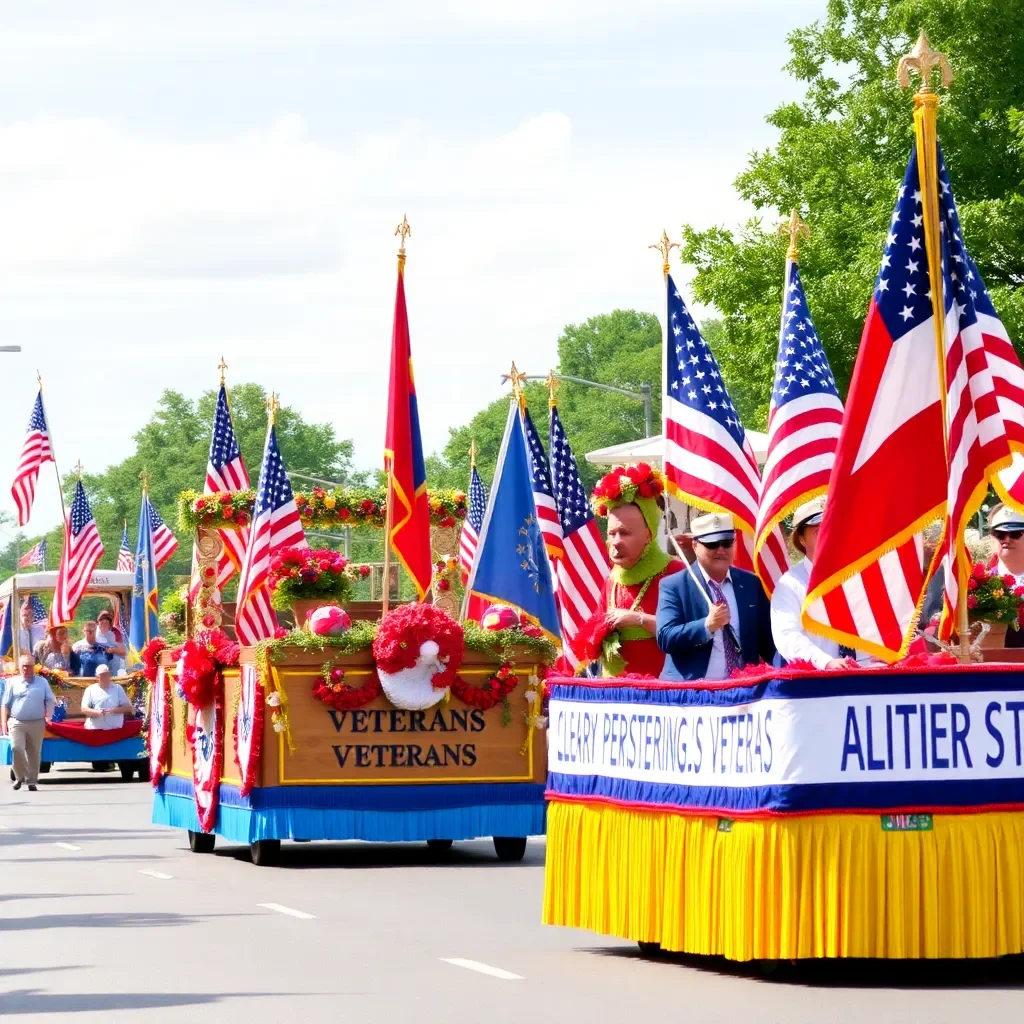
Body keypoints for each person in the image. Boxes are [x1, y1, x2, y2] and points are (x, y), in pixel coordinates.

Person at [575, 464, 684, 676]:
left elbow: (691, 632)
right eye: (611, 533)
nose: (615, 542)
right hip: (616, 697)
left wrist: (639, 620)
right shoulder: (612, 579)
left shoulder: (675, 573)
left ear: (648, 535)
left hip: (661, 693)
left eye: (624, 533)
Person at [657, 512, 775, 681]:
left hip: (743, 692)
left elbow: (769, 643)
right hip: (692, 694)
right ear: (695, 546)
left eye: (726, 543)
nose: (720, 550)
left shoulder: (750, 583)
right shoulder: (674, 585)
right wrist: (707, 625)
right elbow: (665, 637)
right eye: (712, 544)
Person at [770, 496, 860, 670]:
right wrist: (826, 662)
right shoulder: (790, 584)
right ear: (801, 539)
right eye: (819, 531)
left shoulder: (858, 575)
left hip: (861, 677)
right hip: (813, 685)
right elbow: (787, 636)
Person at [0, 653, 55, 790]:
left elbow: (50, 699)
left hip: (36, 722)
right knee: (16, 748)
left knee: (34, 752)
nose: (26, 669)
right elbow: (5, 705)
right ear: (19, 667)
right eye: (24, 666)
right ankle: (20, 776)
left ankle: (31, 781)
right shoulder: (12, 682)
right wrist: (3, 723)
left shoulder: (42, 682)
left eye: (29, 666)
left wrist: (48, 715)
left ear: (34, 667)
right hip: (17, 721)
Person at [988, 505, 1024, 649]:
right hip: (990, 669)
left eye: (1015, 533)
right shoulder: (976, 585)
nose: (1006, 539)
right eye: (999, 534)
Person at [80, 664, 134, 730]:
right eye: (102, 675)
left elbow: (128, 708)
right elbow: (84, 709)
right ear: (97, 677)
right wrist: (97, 712)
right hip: (94, 731)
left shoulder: (118, 688)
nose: (105, 677)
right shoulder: (90, 689)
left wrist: (113, 710)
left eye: (107, 675)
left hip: (115, 731)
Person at [95, 610, 127, 675]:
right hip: (99, 662)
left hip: (115, 662)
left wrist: (112, 650)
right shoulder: (95, 631)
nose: (103, 625)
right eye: (101, 623)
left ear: (110, 624)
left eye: (106, 623)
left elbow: (123, 652)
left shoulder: (115, 632)